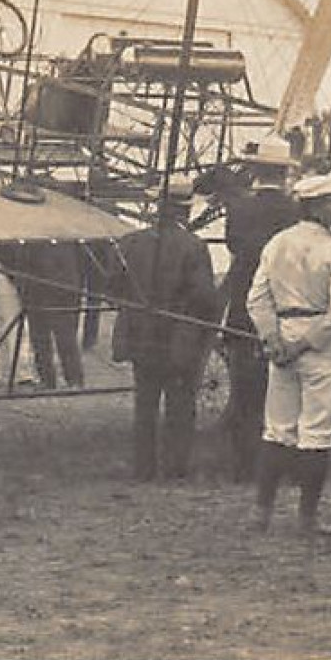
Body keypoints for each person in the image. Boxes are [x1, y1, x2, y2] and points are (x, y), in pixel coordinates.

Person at [246, 170, 331, 534]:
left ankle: (262, 511)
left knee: (277, 428)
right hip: (320, 345)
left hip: (284, 340)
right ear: (319, 208)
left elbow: (256, 299)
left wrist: (272, 339)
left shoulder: (277, 243)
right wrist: (304, 343)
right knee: (318, 432)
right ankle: (308, 517)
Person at [112, 181, 219, 481]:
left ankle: (143, 468)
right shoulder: (194, 247)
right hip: (177, 337)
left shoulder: (130, 242)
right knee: (180, 403)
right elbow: (204, 296)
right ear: (184, 211)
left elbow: (113, 285)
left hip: (139, 333)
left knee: (145, 403)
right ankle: (176, 468)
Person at [221, 136, 299, 480]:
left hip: (245, 306)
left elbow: (236, 246)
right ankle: (281, 464)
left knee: (245, 391)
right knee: (285, 389)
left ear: (255, 170)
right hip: (287, 303)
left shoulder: (240, 209)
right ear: (284, 173)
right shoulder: (296, 211)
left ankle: (243, 464)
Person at [17, 240, 86, 389]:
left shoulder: (66, 238)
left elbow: (79, 263)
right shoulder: (30, 237)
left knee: (65, 337)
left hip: (61, 290)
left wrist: (71, 289)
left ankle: (74, 379)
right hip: (35, 289)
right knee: (39, 338)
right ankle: (47, 379)